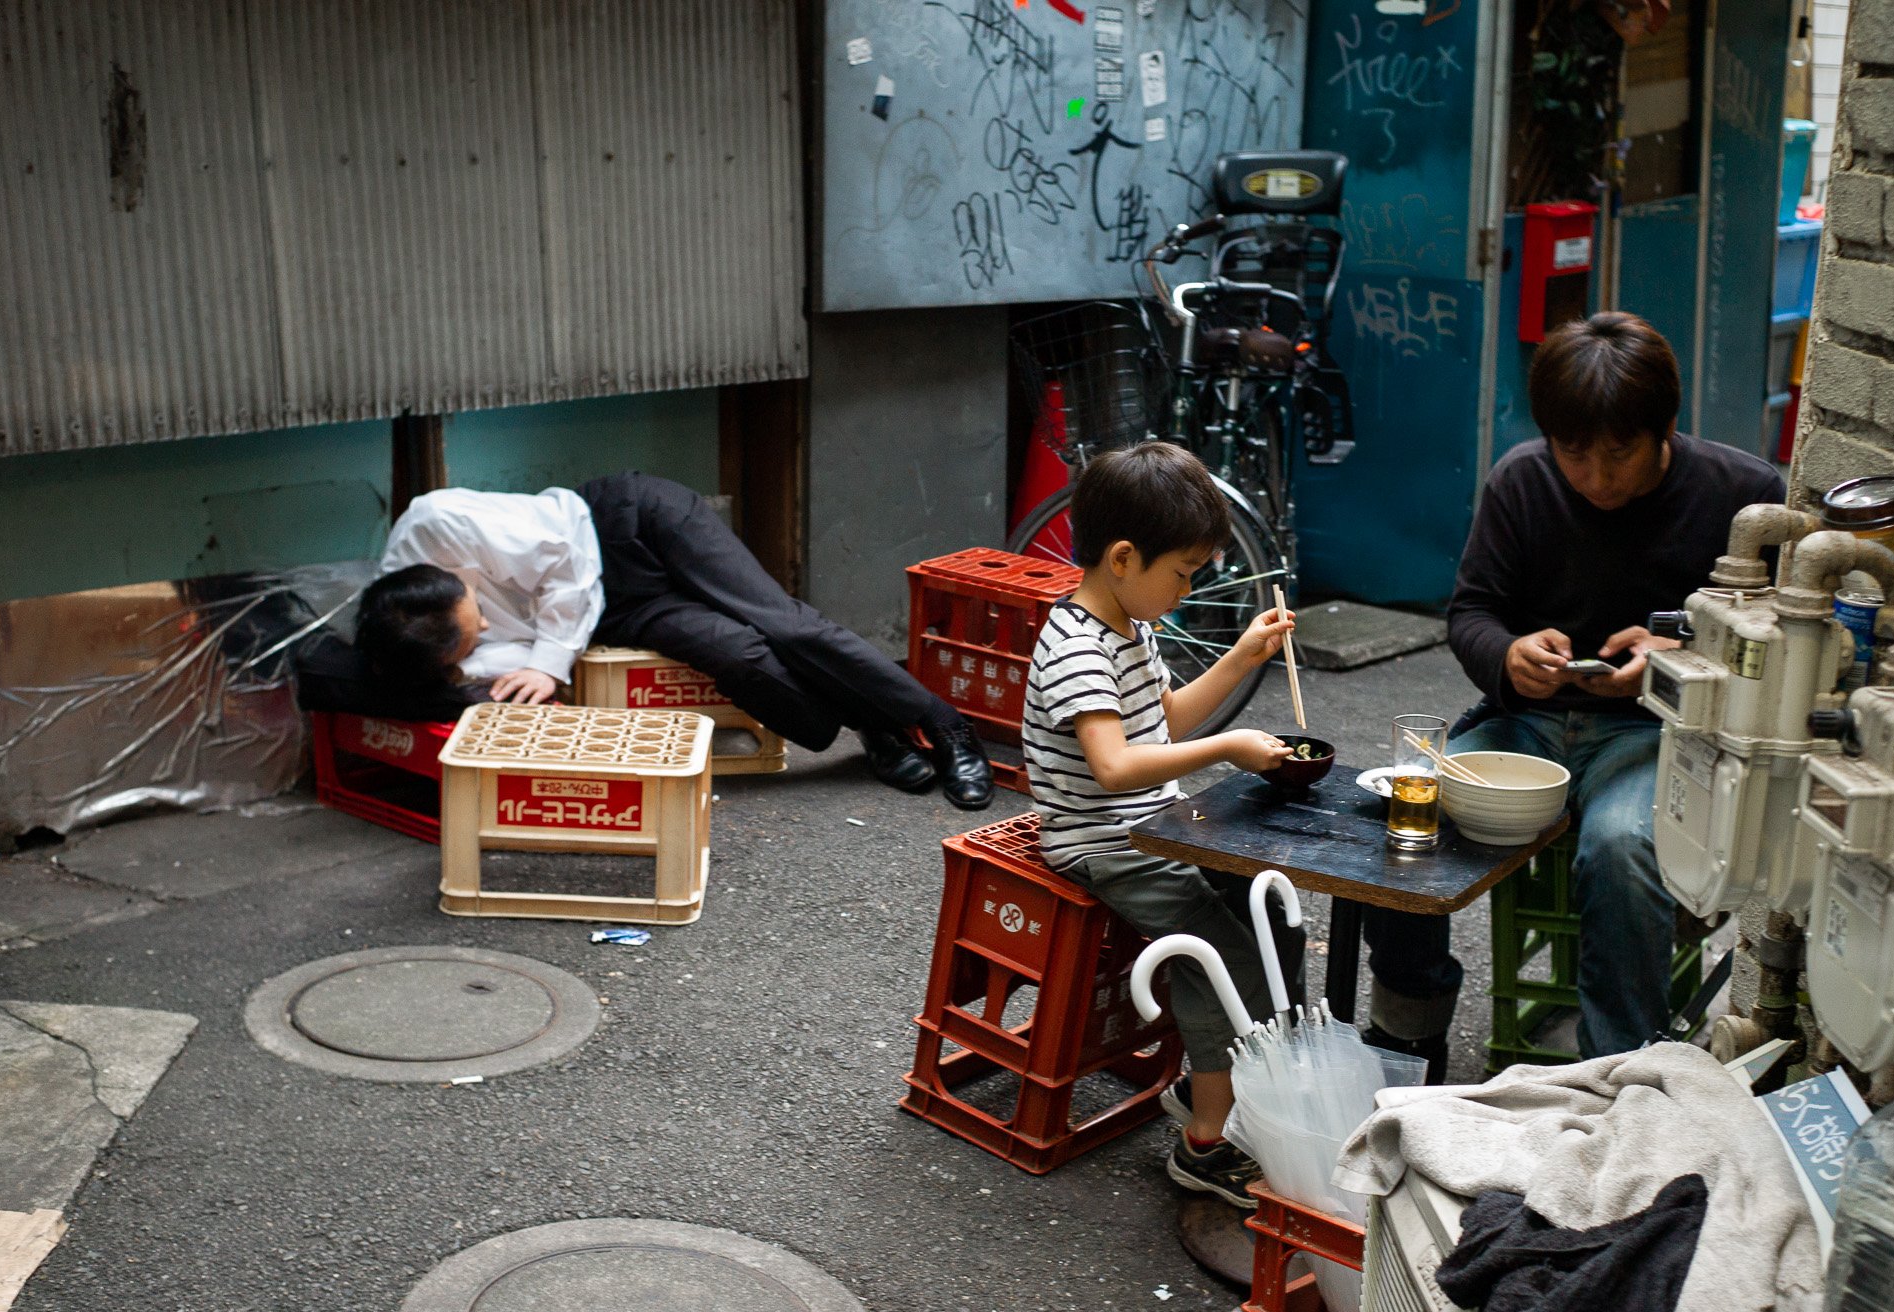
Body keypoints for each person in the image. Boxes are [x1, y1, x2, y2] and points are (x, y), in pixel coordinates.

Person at [1365, 312, 1784, 1072]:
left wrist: (1680, 652)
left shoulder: (1743, 497)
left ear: (1664, 429)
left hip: (1653, 735)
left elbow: (1773, 641)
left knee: (1621, 847)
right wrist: (1509, 654)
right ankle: (1408, 1031)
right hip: (1525, 724)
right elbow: (1472, 613)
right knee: (1407, 810)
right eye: (1572, 452)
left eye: (1618, 453)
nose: (1594, 477)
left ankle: (1619, 1071)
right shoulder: (1523, 481)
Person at [354, 473, 994, 808]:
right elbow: (484, 666)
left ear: (436, 583)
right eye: (471, 643)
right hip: (609, 613)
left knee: (782, 623)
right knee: (740, 656)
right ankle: (872, 726)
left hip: (626, 528)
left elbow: (559, 559)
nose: (485, 630)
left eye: (475, 615)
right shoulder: (419, 636)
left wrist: (549, 663)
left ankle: (946, 726)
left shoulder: (438, 523)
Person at [1022, 441, 1301, 1208]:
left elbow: (1165, 719)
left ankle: (1220, 1082)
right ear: (1122, 558)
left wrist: (1243, 657)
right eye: (1181, 573)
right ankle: (1205, 1144)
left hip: (1154, 825)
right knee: (1216, 950)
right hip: (1101, 841)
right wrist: (1232, 749)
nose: (1185, 590)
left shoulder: (1129, 625)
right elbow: (1114, 766)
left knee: (1270, 916)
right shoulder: (1079, 646)